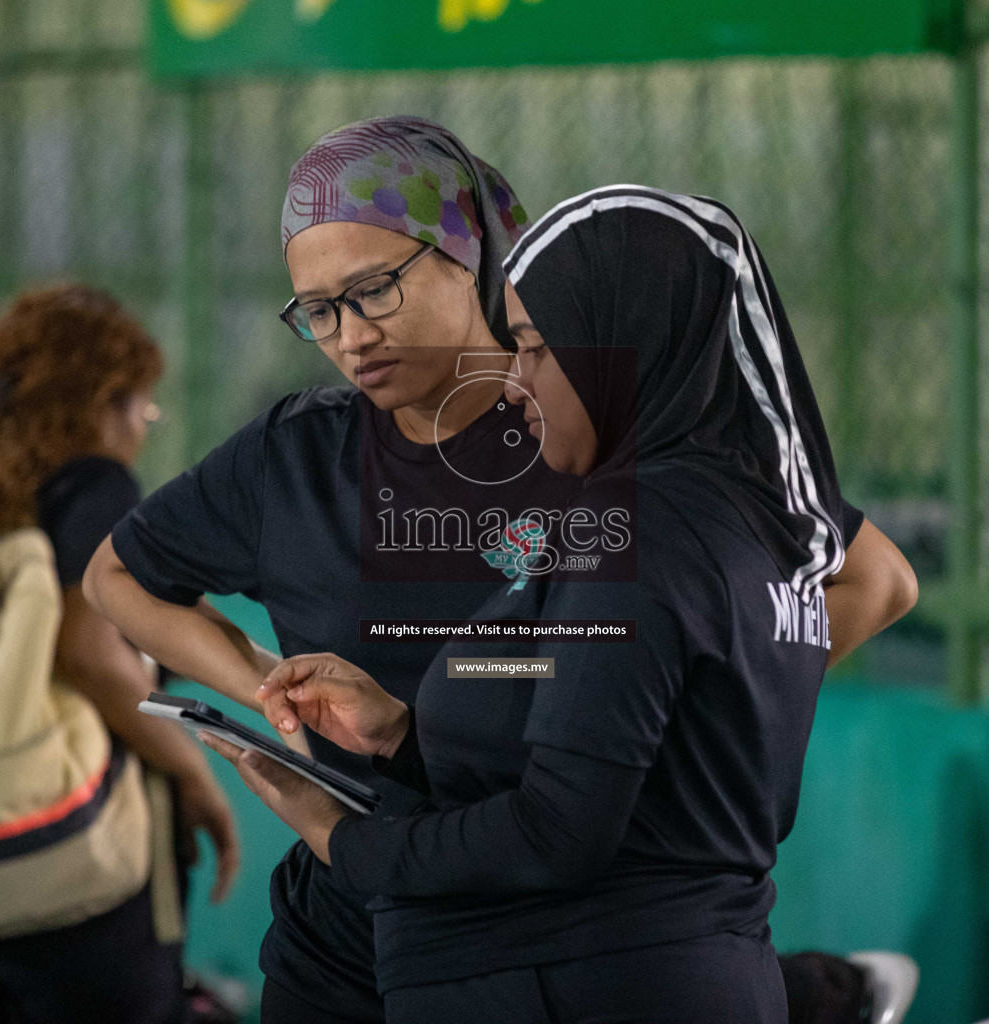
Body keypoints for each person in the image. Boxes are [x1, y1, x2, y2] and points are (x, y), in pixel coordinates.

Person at [213, 187, 919, 1023]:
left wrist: (340, 836)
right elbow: (635, 763)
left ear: (625, 346)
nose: (513, 382)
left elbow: (559, 832)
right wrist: (403, 737)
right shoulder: (742, 523)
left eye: (538, 349)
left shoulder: (647, 532)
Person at [86, 115, 579, 1024]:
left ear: (469, 256)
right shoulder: (298, 457)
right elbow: (116, 578)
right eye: (318, 311)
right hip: (346, 932)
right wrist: (262, 682)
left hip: (544, 938)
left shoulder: (582, 426)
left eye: (375, 290)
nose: (350, 337)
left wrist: (688, 738)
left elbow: (866, 582)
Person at [0, 283, 240, 1024]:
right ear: (103, 400)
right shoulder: (95, 486)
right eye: (141, 406)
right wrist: (193, 773)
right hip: (68, 861)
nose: (142, 429)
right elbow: (89, 650)